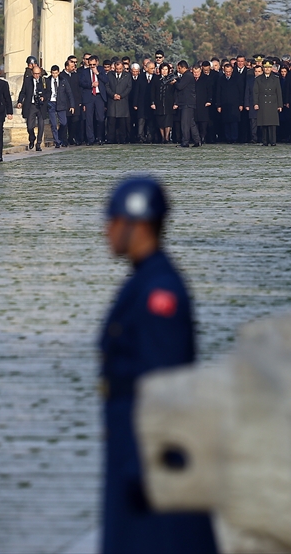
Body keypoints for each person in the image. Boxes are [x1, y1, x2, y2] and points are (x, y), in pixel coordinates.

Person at [98, 175, 219, 554]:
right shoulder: (144, 282)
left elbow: (163, 383)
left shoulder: (158, 293)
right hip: (131, 449)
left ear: (138, 225)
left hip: (149, 461)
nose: (107, 230)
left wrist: (143, 467)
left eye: (114, 220)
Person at [17, 63, 48, 151]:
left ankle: (38, 144)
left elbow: (48, 92)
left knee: (41, 125)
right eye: (35, 74)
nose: (36, 76)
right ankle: (32, 138)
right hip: (31, 105)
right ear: (32, 73)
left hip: (41, 106)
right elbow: (23, 91)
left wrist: (43, 97)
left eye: (38, 74)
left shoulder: (44, 81)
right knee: (30, 126)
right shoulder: (27, 80)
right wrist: (20, 101)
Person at [253, 60, 283, 146]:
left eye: (269, 68)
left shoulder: (276, 78)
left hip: (273, 102)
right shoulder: (258, 79)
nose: (267, 69)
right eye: (265, 68)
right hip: (262, 102)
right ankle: (265, 141)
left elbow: (279, 92)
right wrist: (255, 103)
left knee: (272, 124)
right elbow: (256, 92)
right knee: (264, 123)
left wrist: (280, 105)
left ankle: (273, 141)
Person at [173, 61, 201, 148]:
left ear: (183, 67)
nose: (178, 70)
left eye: (179, 68)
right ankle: (197, 140)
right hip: (188, 103)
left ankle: (185, 141)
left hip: (187, 103)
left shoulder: (187, 75)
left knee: (185, 123)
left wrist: (174, 83)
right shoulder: (187, 76)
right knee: (191, 123)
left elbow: (180, 86)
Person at [80, 55, 107, 145]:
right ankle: (90, 139)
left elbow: (106, 80)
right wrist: (91, 84)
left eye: (94, 65)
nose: (92, 66)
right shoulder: (84, 72)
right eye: (90, 65)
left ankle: (100, 138)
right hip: (89, 97)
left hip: (99, 97)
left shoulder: (101, 70)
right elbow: (82, 83)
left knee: (100, 119)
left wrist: (97, 73)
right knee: (89, 119)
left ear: (97, 63)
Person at [47, 64, 73, 148]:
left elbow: (69, 93)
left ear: (58, 73)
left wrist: (72, 105)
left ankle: (60, 136)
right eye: (53, 73)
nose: (54, 75)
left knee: (63, 122)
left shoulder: (63, 81)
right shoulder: (47, 80)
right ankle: (57, 141)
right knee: (54, 124)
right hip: (51, 103)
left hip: (61, 104)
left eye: (56, 73)